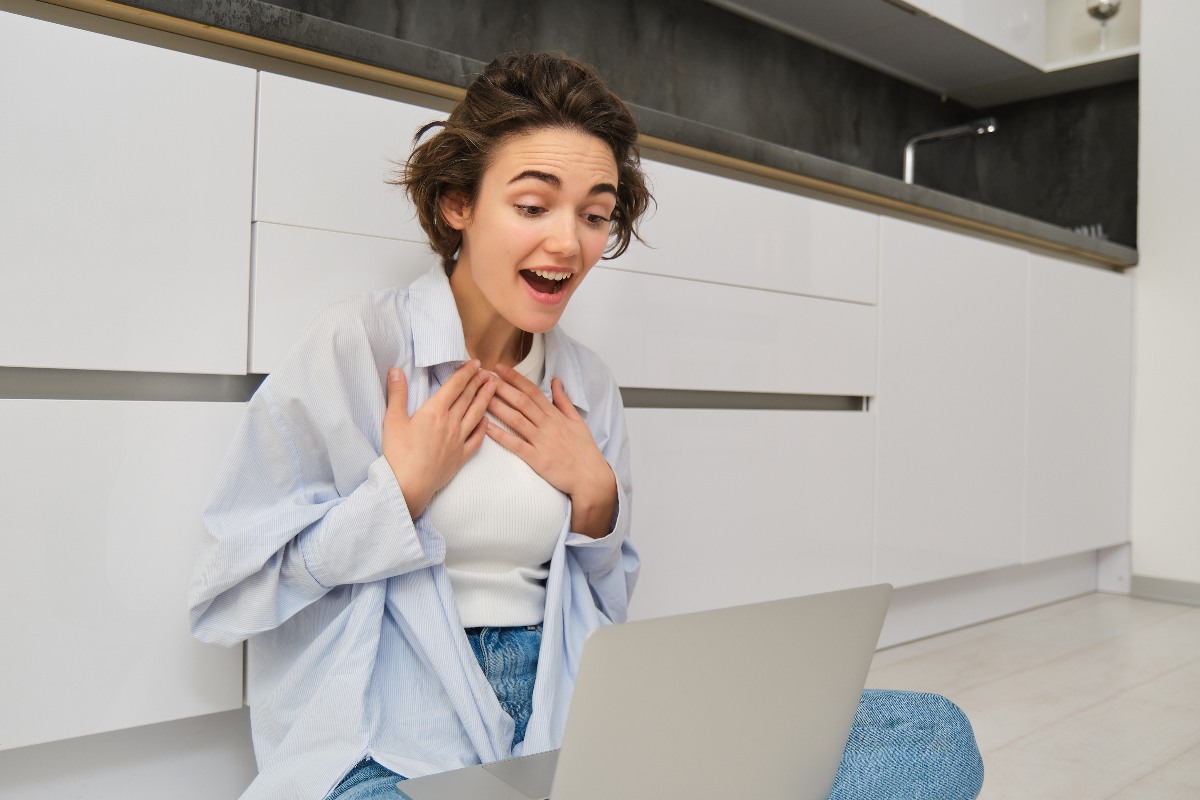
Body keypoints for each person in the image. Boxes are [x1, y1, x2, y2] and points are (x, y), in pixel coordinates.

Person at [189, 52, 983, 800]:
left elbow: (604, 610)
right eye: (533, 206)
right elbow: (230, 595)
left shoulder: (585, 382)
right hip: (391, 736)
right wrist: (395, 496)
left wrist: (598, 505)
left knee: (934, 737)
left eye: (595, 215)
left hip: (566, 712)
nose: (568, 243)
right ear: (458, 204)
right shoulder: (359, 348)